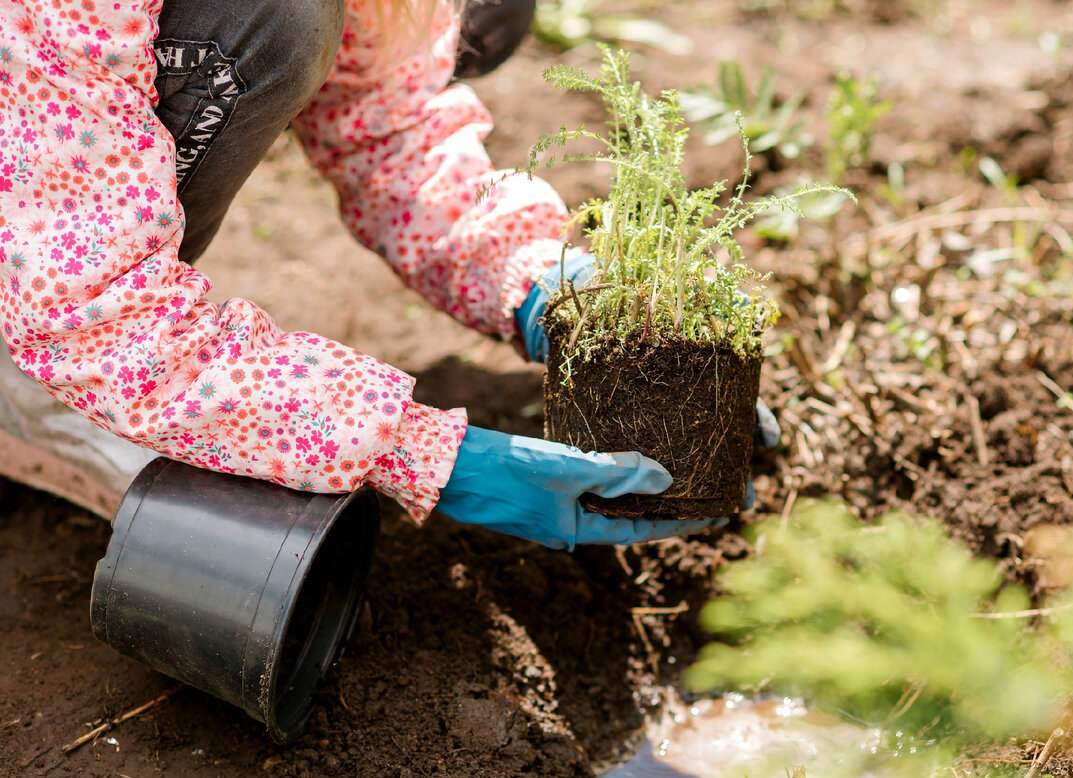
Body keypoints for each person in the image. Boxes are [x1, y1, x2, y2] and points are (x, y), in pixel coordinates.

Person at [0, 0, 775, 550]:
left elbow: (385, 127)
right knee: (269, 16)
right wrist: (422, 452)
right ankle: (28, 388)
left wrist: (542, 281)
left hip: (54, 175)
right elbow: (93, 312)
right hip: (51, 234)